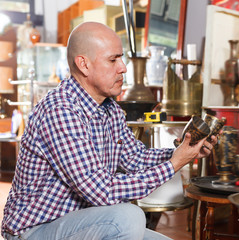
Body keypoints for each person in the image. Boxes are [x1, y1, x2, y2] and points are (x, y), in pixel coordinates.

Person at [1, 22, 218, 240]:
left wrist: (181, 151)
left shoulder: (110, 108)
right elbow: (101, 192)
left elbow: (136, 158)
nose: (123, 67)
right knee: (128, 217)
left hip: (82, 221)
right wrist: (175, 164)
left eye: (121, 58)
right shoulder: (60, 110)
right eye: (113, 60)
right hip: (35, 231)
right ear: (84, 65)